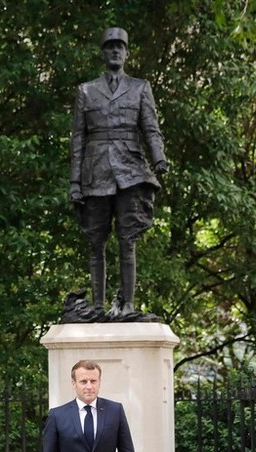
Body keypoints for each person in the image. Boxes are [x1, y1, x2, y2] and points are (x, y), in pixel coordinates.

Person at [69, 27, 168, 319]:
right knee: (95, 240)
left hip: (130, 169)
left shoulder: (140, 87)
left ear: (126, 53)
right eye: (109, 47)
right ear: (102, 53)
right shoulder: (86, 90)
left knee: (128, 239)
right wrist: (74, 182)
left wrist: (159, 157)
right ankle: (98, 306)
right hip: (95, 170)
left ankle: (127, 305)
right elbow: (78, 139)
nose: (114, 51)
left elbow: (150, 127)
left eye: (119, 47)